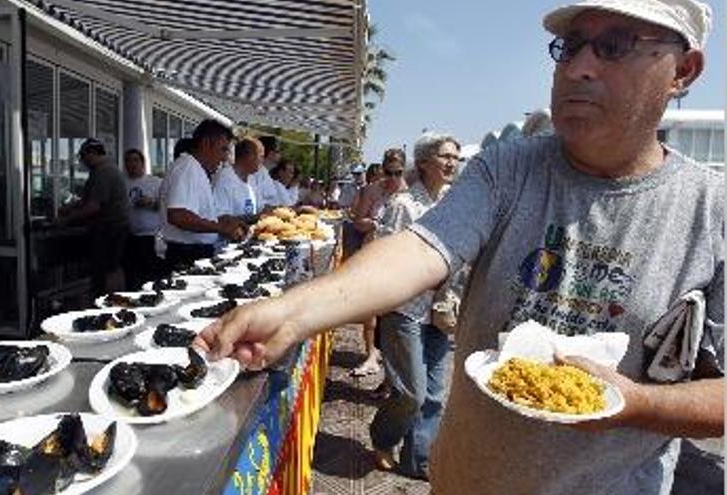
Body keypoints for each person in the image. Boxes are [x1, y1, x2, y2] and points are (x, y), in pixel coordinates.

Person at [198, 2, 723, 494]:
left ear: (684, 71)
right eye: (571, 45)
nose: (579, 67)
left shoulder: (712, 213)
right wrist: (294, 312)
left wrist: (636, 405)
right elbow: (422, 249)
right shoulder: (509, 169)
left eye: (614, 46)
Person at [370, 134, 462, 479]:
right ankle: (382, 438)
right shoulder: (403, 205)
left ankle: (419, 460)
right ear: (423, 162)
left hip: (440, 311)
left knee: (435, 395)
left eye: (455, 157)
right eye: (444, 156)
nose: (452, 162)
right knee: (412, 393)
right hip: (405, 309)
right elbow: (385, 257)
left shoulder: (455, 203)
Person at [349, 151, 406, 379]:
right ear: (382, 170)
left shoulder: (409, 192)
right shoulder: (372, 190)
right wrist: (374, 224)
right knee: (370, 309)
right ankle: (371, 355)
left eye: (398, 173)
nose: (393, 178)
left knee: (394, 312)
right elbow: (358, 221)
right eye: (389, 172)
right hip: (372, 254)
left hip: (397, 258)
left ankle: (392, 363)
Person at [160, 119, 245, 271]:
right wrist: (220, 228)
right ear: (206, 143)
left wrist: (225, 221)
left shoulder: (196, 168)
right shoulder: (187, 167)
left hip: (193, 252)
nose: (225, 157)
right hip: (186, 254)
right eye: (223, 149)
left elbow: (195, 213)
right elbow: (178, 216)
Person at [58, 138, 129, 297]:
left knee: (106, 268)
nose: (82, 161)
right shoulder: (107, 169)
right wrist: (69, 207)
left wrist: (67, 219)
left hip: (110, 228)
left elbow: (93, 207)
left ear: (92, 154)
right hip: (114, 227)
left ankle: (106, 302)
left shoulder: (103, 172)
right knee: (110, 267)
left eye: (83, 156)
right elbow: (87, 200)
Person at [123, 148, 164, 288]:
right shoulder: (122, 184)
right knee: (131, 276)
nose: (132, 164)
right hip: (129, 237)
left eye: (135, 160)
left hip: (150, 237)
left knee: (150, 277)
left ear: (143, 163)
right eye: (128, 161)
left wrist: (152, 202)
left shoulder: (156, 182)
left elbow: (167, 207)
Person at [213, 137, 264, 222]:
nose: (262, 161)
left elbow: (261, 207)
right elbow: (221, 218)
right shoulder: (224, 178)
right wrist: (255, 218)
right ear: (249, 156)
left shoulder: (252, 178)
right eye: (261, 156)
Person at [250, 135, 282, 208]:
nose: (280, 155)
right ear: (270, 153)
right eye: (278, 151)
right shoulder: (254, 173)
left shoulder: (265, 172)